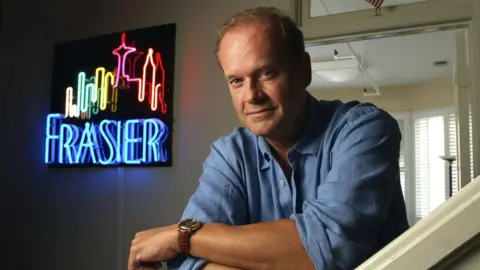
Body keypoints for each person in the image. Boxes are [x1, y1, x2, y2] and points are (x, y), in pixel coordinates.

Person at [128, 6, 410, 270]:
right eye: (236, 80)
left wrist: (181, 236)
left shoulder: (365, 130)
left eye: (266, 73)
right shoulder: (230, 154)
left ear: (304, 70)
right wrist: (190, 243)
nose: (251, 95)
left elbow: (330, 245)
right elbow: (187, 264)